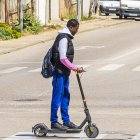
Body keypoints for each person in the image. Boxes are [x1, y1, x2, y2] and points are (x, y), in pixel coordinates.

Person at [51, 19, 83, 130]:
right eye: (76, 28)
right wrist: (75, 68)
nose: (77, 31)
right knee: (57, 97)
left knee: (65, 96)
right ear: (71, 27)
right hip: (59, 73)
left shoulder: (67, 38)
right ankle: (54, 122)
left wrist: (73, 69)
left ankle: (66, 121)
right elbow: (63, 58)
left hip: (65, 73)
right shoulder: (63, 38)